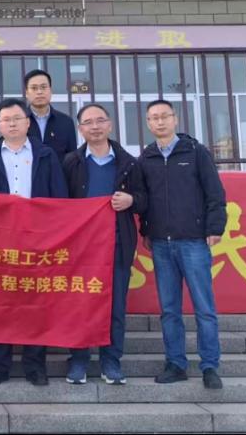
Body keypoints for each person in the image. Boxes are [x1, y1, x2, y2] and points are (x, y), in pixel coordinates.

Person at [0, 98, 68, 387]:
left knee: (34, 304)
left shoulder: (46, 155)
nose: (12, 124)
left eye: (17, 118)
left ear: (28, 122)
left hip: (37, 241)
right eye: (6, 119)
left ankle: (35, 366)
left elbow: (59, 197)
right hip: (0, 242)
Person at [138, 99, 226, 390]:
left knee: (204, 308)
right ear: (148, 123)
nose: (159, 122)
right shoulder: (146, 158)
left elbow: (215, 193)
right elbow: (144, 199)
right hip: (161, 245)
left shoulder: (195, 152)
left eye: (164, 116)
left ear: (175, 119)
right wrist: (146, 229)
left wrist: (215, 227)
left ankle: (210, 366)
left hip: (193, 242)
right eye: (154, 118)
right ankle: (175, 363)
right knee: (169, 309)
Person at [62, 103, 147, 386]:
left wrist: (131, 200)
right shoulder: (71, 162)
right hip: (80, 246)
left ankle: (111, 361)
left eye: (100, 121)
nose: (95, 127)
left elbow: (145, 199)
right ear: (80, 129)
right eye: (88, 122)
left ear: (110, 125)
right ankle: (79, 359)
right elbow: (60, 202)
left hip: (117, 244)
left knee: (115, 305)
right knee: (79, 303)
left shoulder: (129, 163)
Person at [23, 69, 77, 164]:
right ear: (27, 93)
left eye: (43, 87)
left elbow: (72, 158)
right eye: (34, 88)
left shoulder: (66, 122)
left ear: (51, 90)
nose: (39, 92)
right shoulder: (20, 121)